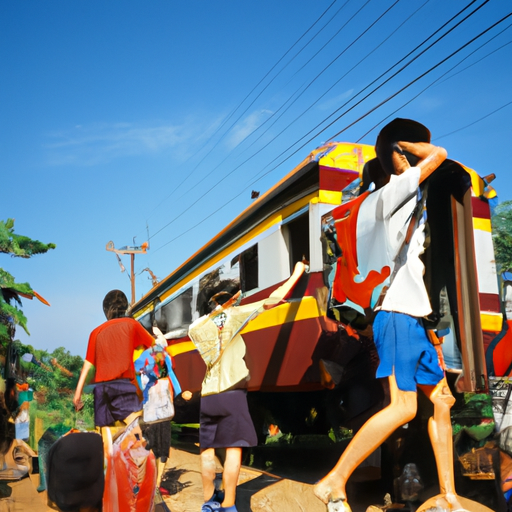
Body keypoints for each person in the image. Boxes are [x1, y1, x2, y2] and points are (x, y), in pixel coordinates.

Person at [313, 119, 481, 512]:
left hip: (411, 315)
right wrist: (402, 145)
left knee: (441, 401)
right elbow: (438, 156)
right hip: (396, 315)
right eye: (410, 149)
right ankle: (333, 481)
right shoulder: (391, 191)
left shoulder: (389, 200)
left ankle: (449, 494)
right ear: (396, 155)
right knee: (404, 406)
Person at [188, 262, 306, 512]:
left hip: (208, 396)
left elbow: (214, 325)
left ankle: (209, 504)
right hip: (231, 393)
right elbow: (272, 299)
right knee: (233, 451)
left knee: (207, 452)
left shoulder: (195, 328)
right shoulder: (234, 315)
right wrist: (296, 272)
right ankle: (229, 504)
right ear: (229, 299)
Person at [73, 289, 154, 427]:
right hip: (122, 386)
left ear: (105, 309)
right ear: (125, 307)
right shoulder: (132, 325)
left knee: (105, 432)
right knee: (135, 426)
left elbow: (87, 365)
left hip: (100, 390)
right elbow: (154, 346)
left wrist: (77, 393)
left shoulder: (95, 332)